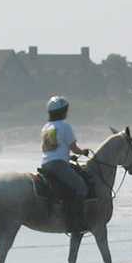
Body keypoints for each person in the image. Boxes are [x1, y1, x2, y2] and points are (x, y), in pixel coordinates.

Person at [39, 96, 91, 232]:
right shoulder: (65, 126)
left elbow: (53, 148)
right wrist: (83, 152)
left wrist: (68, 156)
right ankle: (76, 222)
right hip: (58, 165)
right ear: (63, 111)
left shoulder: (46, 127)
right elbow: (74, 147)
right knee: (81, 188)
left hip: (46, 164)